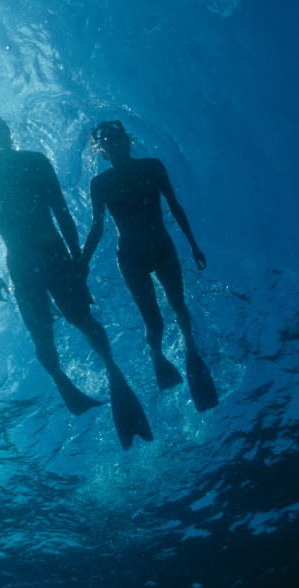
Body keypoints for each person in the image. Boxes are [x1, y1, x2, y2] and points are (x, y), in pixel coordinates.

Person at [0, 111, 153, 449]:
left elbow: (61, 210)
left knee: (80, 320)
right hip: (27, 262)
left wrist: (78, 258)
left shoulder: (29, 164)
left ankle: (112, 373)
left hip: (50, 256)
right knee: (43, 334)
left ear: (6, 132)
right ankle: (67, 382)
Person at [81, 120, 218, 412]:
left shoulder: (152, 167)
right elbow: (97, 228)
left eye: (116, 138)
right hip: (130, 258)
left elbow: (174, 205)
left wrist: (193, 244)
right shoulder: (100, 184)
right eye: (107, 141)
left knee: (179, 306)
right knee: (154, 322)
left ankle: (190, 349)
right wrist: (83, 264)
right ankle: (156, 355)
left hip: (163, 249)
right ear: (102, 150)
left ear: (126, 141)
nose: (114, 144)